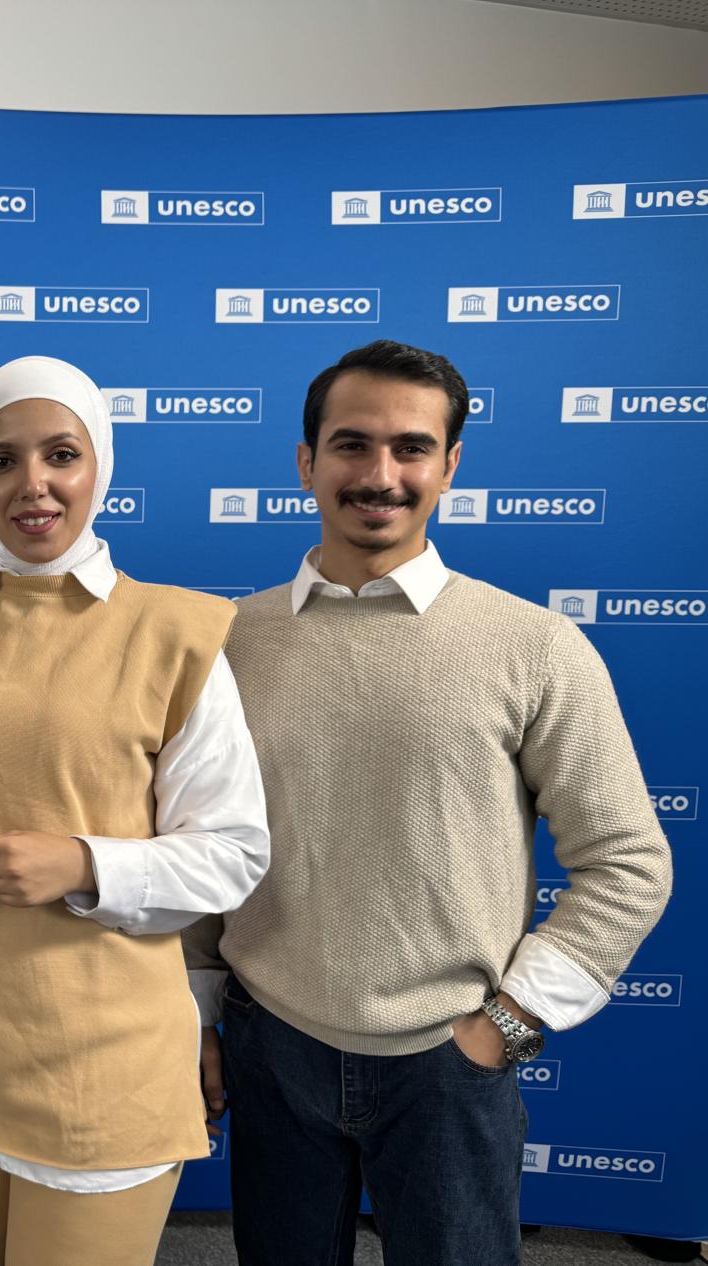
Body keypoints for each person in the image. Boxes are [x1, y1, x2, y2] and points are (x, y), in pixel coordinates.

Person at [186, 339, 673, 1266]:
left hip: (451, 1066)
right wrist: (201, 1015)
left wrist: (508, 1026)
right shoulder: (222, 644)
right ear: (305, 461)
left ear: (450, 466)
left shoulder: (534, 647)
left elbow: (630, 862)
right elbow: (198, 846)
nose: (380, 474)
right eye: (350, 445)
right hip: (270, 1044)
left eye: (411, 448)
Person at [0, 355, 270, 1266]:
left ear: (102, 468)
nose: (33, 485)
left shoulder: (175, 632)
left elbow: (235, 851)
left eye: (62, 455)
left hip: (102, 1061)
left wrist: (88, 865)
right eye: (2, 461)